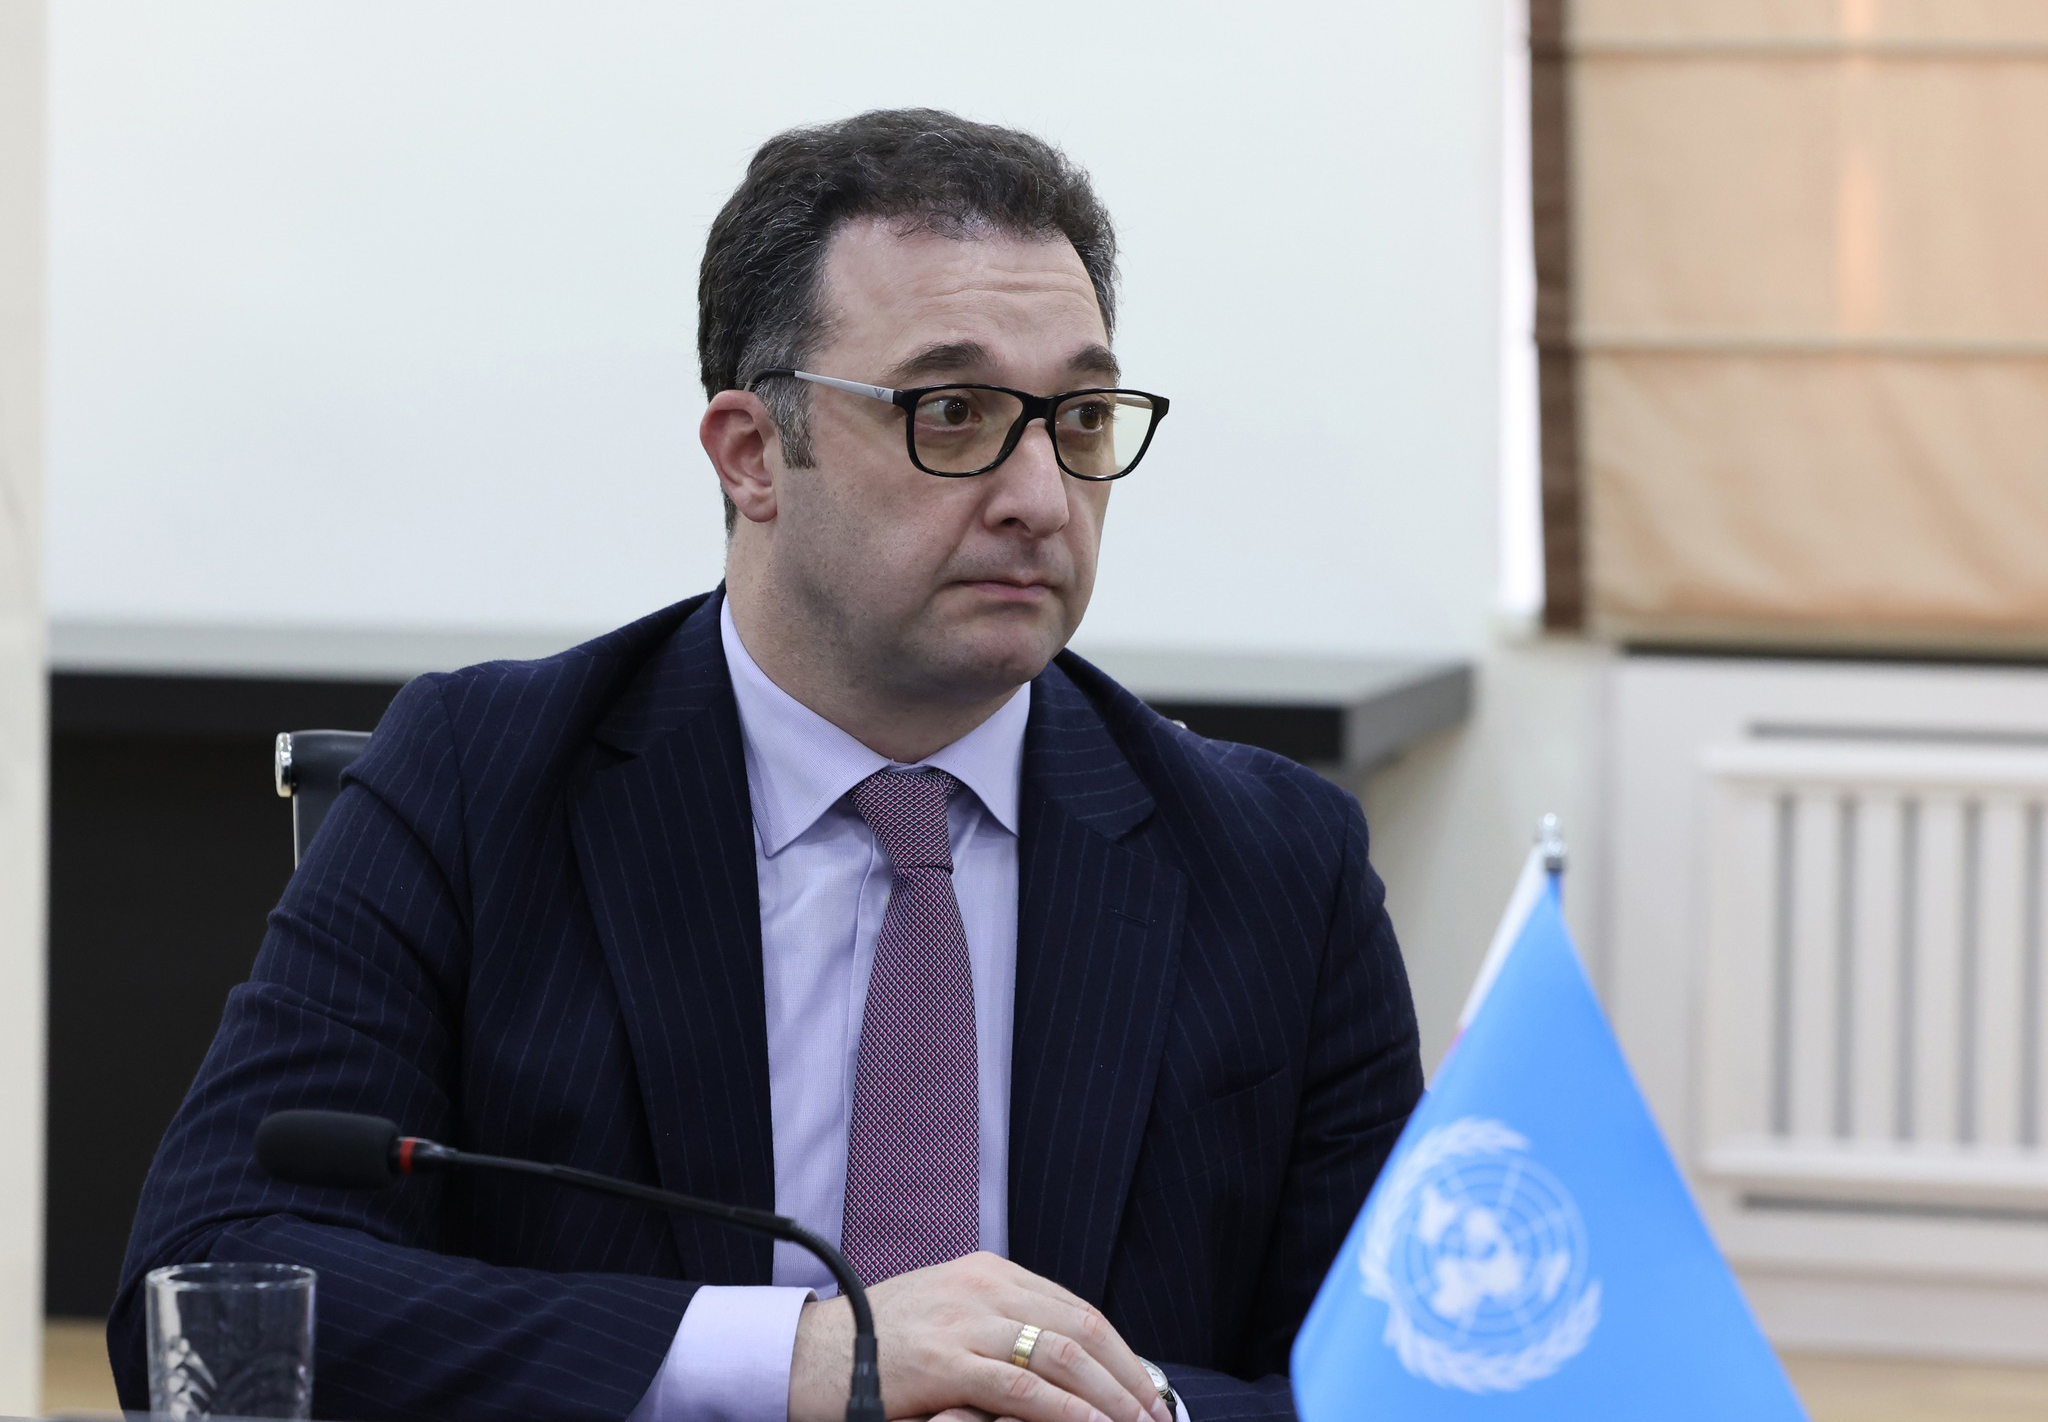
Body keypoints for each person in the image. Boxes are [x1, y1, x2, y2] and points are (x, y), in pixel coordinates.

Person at [109, 108, 1422, 1422]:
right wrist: (792, 1359)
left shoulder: (1277, 863)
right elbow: (213, 1284)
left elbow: (1414, 1378)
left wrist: (1107, 1407)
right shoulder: (479, 783)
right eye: (953, 413)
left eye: (1078, 419)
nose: (1039, 496)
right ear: (752, 456)